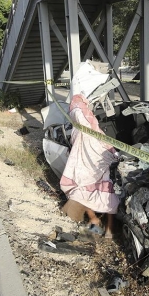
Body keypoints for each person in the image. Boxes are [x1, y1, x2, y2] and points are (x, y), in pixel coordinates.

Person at [59, 94, 118, 238]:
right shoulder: (88, 119)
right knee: (106, 194)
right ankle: (107, 228)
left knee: (85, 192)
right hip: (101, 161)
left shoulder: (78, 122)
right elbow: (95, 130)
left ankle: (96, 222)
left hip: (91, 165)